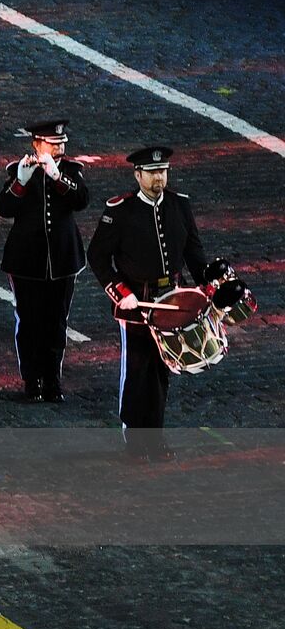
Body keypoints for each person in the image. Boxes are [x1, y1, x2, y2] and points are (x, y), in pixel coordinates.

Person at [87, 147, 207, 460]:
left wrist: (206, 289)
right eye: (152, 173)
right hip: (137, 303)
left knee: (162, 370)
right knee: (137, 368)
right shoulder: (120, 211)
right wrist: (120, 292)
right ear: (137, 175)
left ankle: (155, 437)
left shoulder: (180, 205)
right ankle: (133, 436)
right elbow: (97, 256)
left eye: (163, 172)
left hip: (172, 301)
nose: (159, 178)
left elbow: (194, 253)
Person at [0, 119, 89, 402]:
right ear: (37, 144)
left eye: (61, 143)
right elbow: (4, 208)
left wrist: (58, 177)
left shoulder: (71, 171)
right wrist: (20, 182)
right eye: (52, 143)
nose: (58, 148)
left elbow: (81, 200)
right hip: (26, 261)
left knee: (57, 321)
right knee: (29, 321)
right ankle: (31, 379)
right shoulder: (20, 171)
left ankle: (52, 379)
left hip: (62, 259)